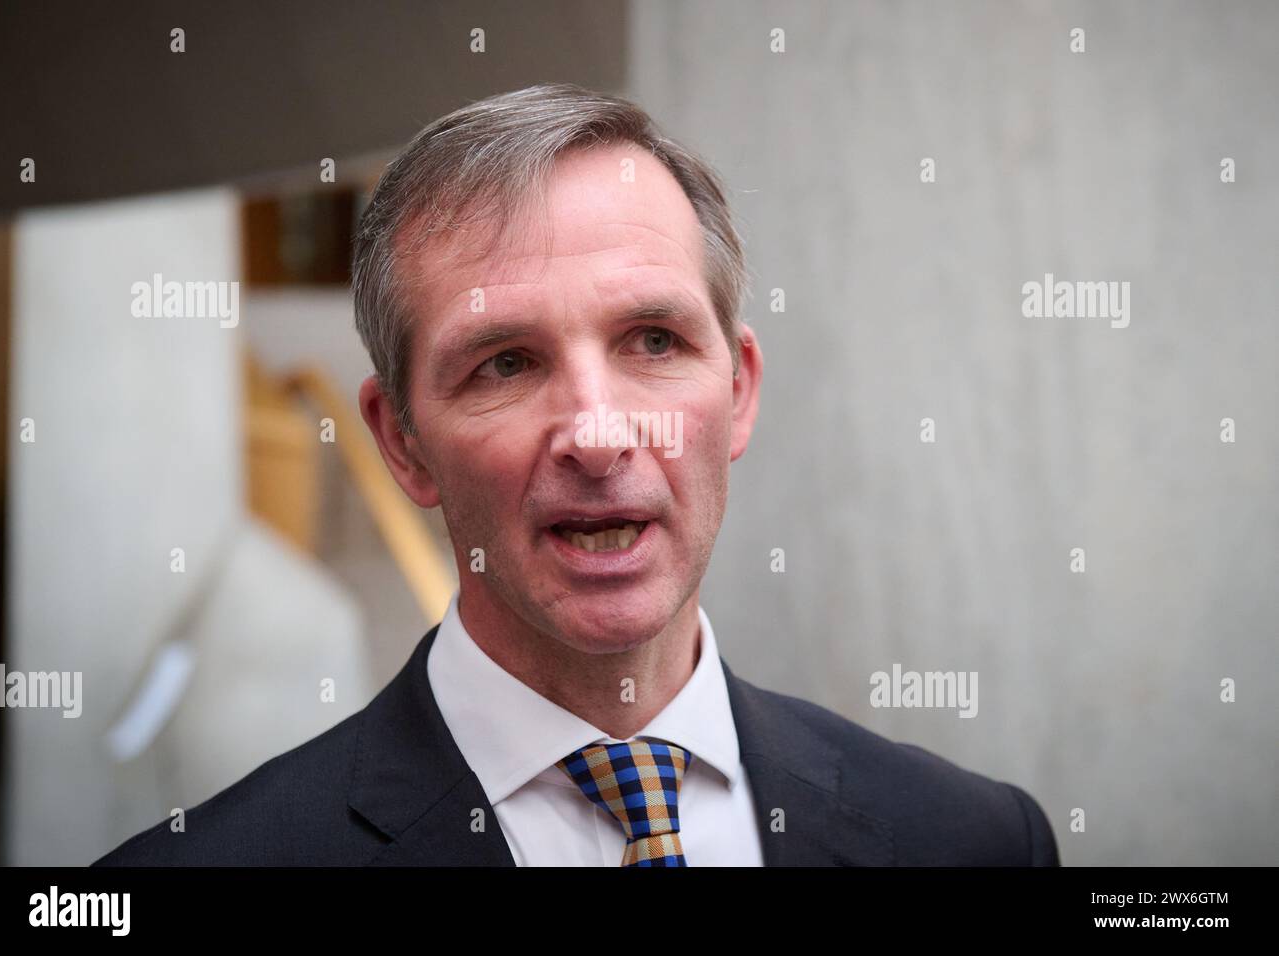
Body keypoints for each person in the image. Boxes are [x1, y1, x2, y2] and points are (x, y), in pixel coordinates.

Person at [94, 83, 1059, 867]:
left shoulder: (973, 843)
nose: (597, 435)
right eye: (505, 363)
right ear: (403, 443)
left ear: (740, 390)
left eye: (652, 339)